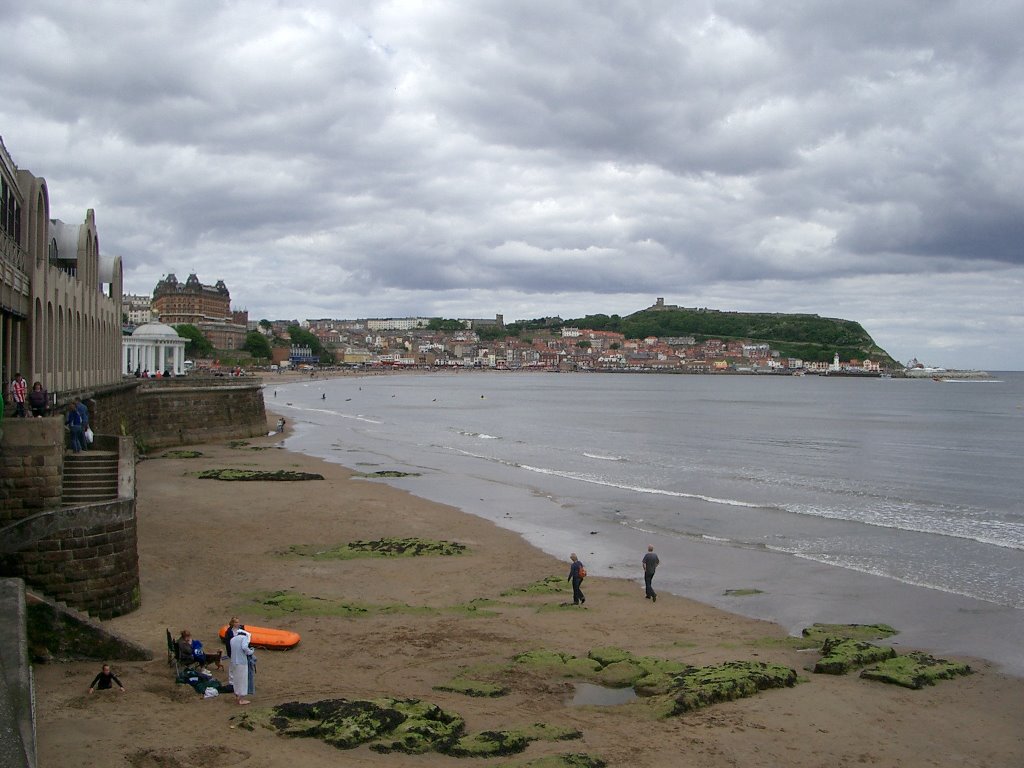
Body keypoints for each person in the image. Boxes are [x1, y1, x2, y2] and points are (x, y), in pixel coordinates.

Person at [229, 627, 255, 705]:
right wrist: (250, 652)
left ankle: (237, 695)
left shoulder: (232, 639)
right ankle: (241, 699)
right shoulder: (244, 638)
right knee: (243, 680)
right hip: (241, 662)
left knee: (236, 679)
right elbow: (244, 647)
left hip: (233, 661)